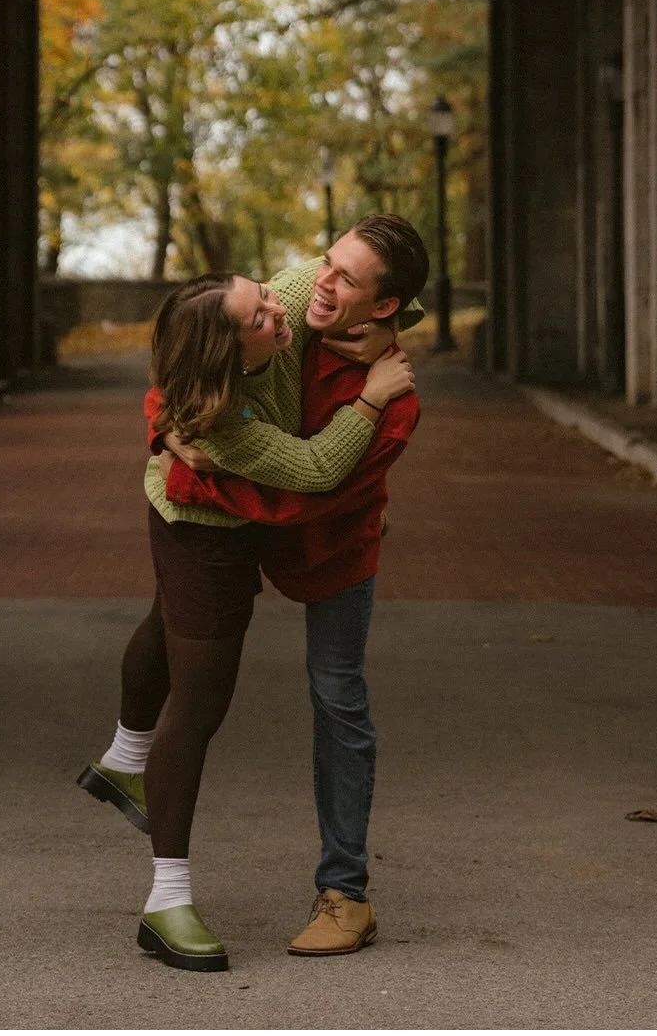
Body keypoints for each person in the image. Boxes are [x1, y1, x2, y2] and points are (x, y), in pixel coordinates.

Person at [78, 253, 417, 973]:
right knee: (198, 706)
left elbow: (366, 290)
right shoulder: (222, 423)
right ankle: (166, 904)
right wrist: (371, 396)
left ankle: (124, 758)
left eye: (264, 294)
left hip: (212, 518)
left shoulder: (286, 305)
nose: (279, 310)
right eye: (260, 316)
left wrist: (386, 334)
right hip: (203, 532)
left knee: (163, 626)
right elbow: (317, 470)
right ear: (228, 357)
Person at [156, 214, 428, 958]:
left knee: (338, 695)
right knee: (175, 613)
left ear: (382, 307)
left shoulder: (393, 400)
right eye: (327, 261)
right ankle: (125, 757)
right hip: (242, 533)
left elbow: (310, 491)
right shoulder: (296, 299)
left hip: (332, 551)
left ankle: (346, 894)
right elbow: (191, 360)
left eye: (345, 277)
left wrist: (212, 460)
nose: (319, 280)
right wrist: (173, 432)